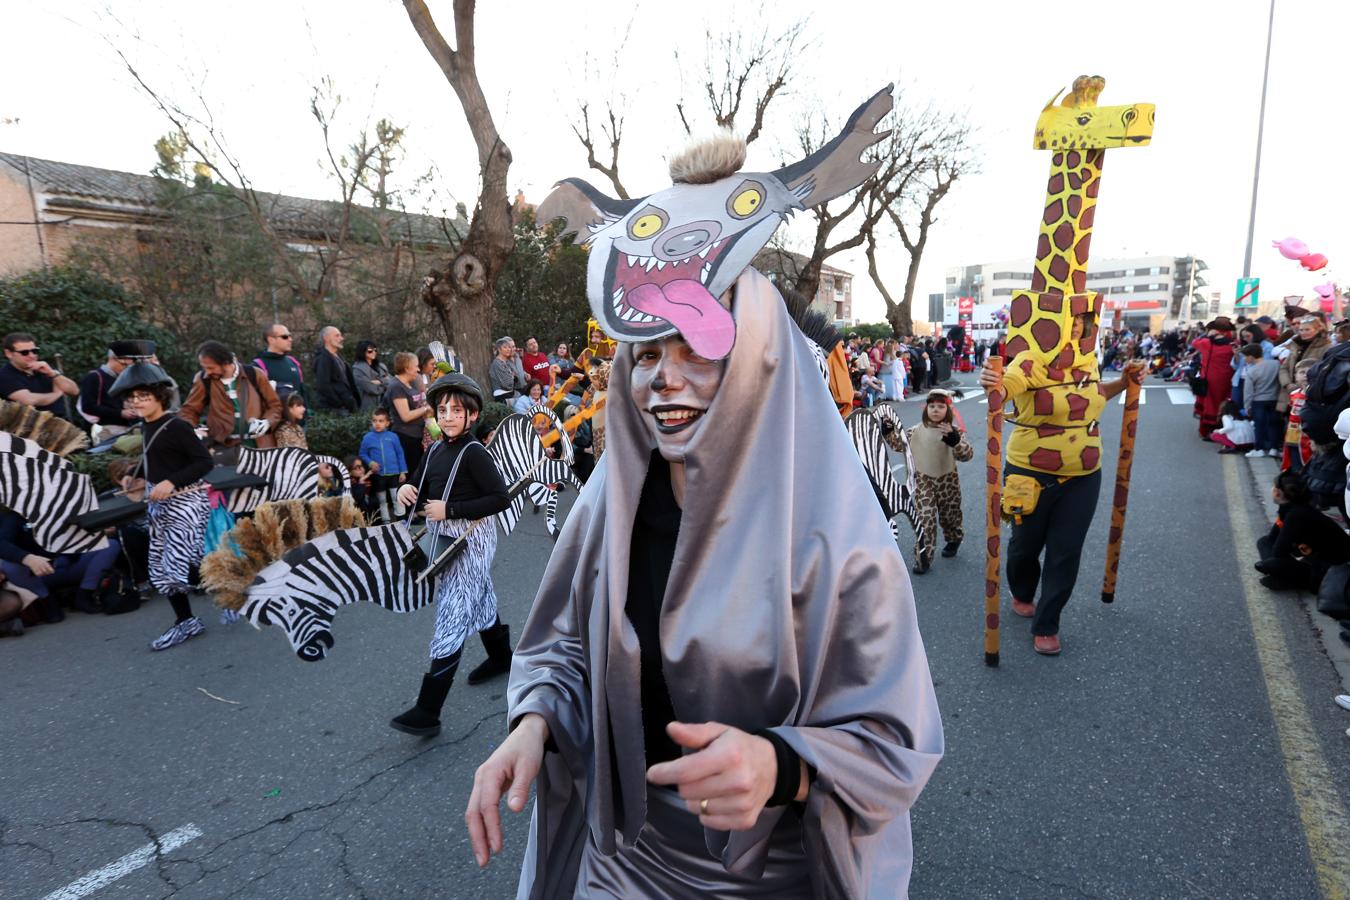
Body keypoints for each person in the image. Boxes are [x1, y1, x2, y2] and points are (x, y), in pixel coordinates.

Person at [467, 273, 942, 896]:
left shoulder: (838, 539)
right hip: (620, 860)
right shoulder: (610, 507)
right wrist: (533, 725)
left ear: (758, 362)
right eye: (647, 354)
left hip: (772, 875)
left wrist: (781, 765)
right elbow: (563, 649)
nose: (663, 376)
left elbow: (892, 742)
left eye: (697, 348)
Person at [980, 314, 1145, 656]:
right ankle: (1022, 591)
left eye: (1079, 322)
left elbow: (1094, 397)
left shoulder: (1086, 360)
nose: (1074, 328)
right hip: (1028, 473)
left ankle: (1048, 622)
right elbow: (1007, 386)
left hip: (1084, 474)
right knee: (1024, 546)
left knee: (1065, 551)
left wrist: (1125, 381)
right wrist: (993, 382)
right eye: (1067, 321)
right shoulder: (1030, 361)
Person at [391, 374, 512, 736]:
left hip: (472, 537)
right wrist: (407, 489)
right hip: (445, 536)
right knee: (480, 596)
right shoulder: (435, 450)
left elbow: (499, 499)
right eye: (442, 410)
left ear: (472, 416)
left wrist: (452, 509)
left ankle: (428, 710)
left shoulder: (474, 452)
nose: (447, 416)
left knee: (454, 610)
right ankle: (501, 657)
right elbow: (418, 479)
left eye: (456, 411)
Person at [110, 361, 214, 651]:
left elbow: (204, 462)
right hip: (161, 503)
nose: (136, 402)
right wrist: (138, 477)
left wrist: (172, 481)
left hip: (187, 501)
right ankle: (186, 621)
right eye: (132, 397)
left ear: (159, 396)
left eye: (143, 395)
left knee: (176, 565)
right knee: (159, 568)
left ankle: (233, 584)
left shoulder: (177, 426)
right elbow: (160, 462)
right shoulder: (145, 427)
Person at [0, 506, 122, 621]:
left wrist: (98, 531)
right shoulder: (13, 519)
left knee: (110, 545)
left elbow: (81, 533)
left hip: (73, 563)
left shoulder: (61, 508)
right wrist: (28, 558)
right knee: (8, 565)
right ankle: (48, 601)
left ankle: (85, 594)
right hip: (41, 573)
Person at [178, 341, 282, 462]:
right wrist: (193, 430)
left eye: (211, 367)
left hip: (259, 446)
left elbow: (275, 406)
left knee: (262, 481)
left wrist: (267, 422)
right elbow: (189, 410)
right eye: (204, 368)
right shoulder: (203, 380)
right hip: (223, 448)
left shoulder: (254, 374)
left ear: (225, 363)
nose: (208, 372)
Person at [907, 391, 974, 574]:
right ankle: (924, 558)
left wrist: (955, 441)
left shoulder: (954, 431)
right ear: (926, 408)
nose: (936, 409)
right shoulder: (914, 431)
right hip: (924, 482)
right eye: (932, 406)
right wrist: (888, 431)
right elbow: (900, 444)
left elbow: (967, 455)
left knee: (950, 516)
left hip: (947, 481)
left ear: (948, 409)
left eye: (941, 406)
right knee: (925, 519)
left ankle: (954, 539)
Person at [1256, 470, 1350, 591]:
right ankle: (1283, 578)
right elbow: (1272, 539)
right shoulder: (1291, 508)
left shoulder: (1296, 514)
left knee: (1267, 564)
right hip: (1313, 557)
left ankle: (1290, 580)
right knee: (1263, 542)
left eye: (1273, 486)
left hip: (1330, 568)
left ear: (1277, 493)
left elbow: (1279, 552)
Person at [0, 332, 78, 417]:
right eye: (24, 352)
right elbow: (29, 400)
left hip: (59, 422)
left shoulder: (44, 368)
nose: (32, 355)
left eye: (34, 351)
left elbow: (74, 391)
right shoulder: (4, 375)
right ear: (9, 354)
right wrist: (57, 394)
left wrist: (52, 374)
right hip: (28, 426)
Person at [78, 341, 141, 442]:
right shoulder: (94, 377)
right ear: (112, 359)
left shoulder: (125, 378)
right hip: (103, 430)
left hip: (127, 430)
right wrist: (120, 413)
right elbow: (88, 407)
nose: (126, 369)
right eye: (124, 364)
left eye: (130, 366)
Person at [385, 351, 433, 474]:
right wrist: (426, 409)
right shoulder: (396, 387)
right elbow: (405, 416)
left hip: (417, 435)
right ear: (407, 368)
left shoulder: (409, 384)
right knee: (413, 472)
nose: (418, 369)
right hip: (406, 437)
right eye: (416, 366)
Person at [359, 407, 408, 524]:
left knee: (397, 498)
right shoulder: (367, 438)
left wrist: (403, 471)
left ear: (387, 423)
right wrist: (370, 462)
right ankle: (385, 520)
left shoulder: (393, 436)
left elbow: (400, 453)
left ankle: (401, 520)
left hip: (394, 473)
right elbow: (362, 453)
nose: (377, 424)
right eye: (374, 421)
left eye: (381, 421)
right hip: (378, 475)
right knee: (382, 499)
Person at [1191, 318, 1236, 440]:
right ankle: (1222, 428)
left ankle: (1208, 430)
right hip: (1227, 378)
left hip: (1208, 378)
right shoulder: (1232, 345)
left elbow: (1194, 342)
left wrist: (1207, 335)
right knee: (1223, 403)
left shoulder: (1206, 343)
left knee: (1209, 404)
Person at [1278, 314, 1331, 415]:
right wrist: (1287, 384)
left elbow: (1325, 372)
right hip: (1290, 394)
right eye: (1301, 330)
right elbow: (1284, 368)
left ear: (1318, 329)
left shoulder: (1326, 347)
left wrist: (1304, 387)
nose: (1303, 333)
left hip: (1310, 395)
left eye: (1307, 329)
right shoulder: (1296, 345)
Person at [1240, 344, 1281, 458]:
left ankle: (1259, 449)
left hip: (1258, 401)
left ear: (1251, 356)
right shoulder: (1275, 364)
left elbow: (1248, 391)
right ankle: (1274, 448)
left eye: (1245, 356)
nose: (1245, 359)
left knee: (1259, 425)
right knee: (1274, 424)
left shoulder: (1251, 371)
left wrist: (1247, 406)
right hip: (1274, 399)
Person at [253, 324, 307, 402]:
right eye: (285, 337)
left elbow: (302, 393)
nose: (290, 339)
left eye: (290, 336)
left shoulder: (293, 362)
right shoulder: (258, 365)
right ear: (271, 340)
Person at [312, 326, 359, 413]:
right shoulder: (323, 358)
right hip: (335, 409)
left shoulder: (339, 357)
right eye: (337, 336)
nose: (341, 338)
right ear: (326, 338)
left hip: (346, 406)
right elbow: (323, 385)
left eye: (340, 336)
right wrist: (339, 404)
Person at [352, 341, 392, 412]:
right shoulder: (357, 369)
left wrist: (379, 382)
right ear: (362, 352)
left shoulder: (381, 366)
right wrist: (385, 383)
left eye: (375, 350)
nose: (374, 352)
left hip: (385, 404)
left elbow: (391, 381)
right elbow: (371, 388)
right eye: (370, 351)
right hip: (368, 407)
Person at [489, 336, 528, 403]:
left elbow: (515, 377)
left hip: (512, 394)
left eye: (509, 347)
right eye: (505, 347)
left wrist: (513, 377)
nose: (508, 349)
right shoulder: (497, 363)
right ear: (499, 349)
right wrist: (513, 377)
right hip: (503, 397)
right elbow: (507, 385)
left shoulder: (506, 362)